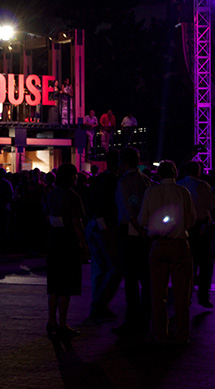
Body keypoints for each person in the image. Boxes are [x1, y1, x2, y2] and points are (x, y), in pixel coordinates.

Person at [139, 160, 196, 345]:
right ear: (175, 173)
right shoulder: (183, 192)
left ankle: (159, 333)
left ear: (158, 174)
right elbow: (191, 220)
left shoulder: (150, 192)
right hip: (179, 244)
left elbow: (142, 219)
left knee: (158, 294)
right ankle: (182, 334)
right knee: (182, 294)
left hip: (158, 245)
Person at [44, 163, 88, 339]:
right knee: (66, 285)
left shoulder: (50, 194)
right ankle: (62, 322)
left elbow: (46, 216)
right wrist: (84, 245)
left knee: (54, 285)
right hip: (68, 241)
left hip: (54, 239)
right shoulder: (73, 197)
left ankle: (51, 321)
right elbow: (77, 223)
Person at [113, 146, 151, 335]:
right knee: (146, 277)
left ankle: (132, 319)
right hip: (145, 232)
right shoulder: (147, 181)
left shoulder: (124, 182)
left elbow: (127, 212)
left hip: (129, 234)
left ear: (124, 162)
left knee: (130, 278)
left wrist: (138, 229)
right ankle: (146, 317)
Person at [178, 161, 215, 309]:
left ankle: (186, 295)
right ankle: (203, 295)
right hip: (201, 227)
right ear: (198, 171)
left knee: (188, 263)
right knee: (205, 263)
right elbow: (214, 208)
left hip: (184, 227)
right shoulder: (203, 186)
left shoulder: (180, 185)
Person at [85, 149, 122, 322]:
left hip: (93, 224)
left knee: (100, 268)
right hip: (105, 225)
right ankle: (100, 303)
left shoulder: (97, 180)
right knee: (115, 266)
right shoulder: (115, 181)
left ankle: (97, 303)